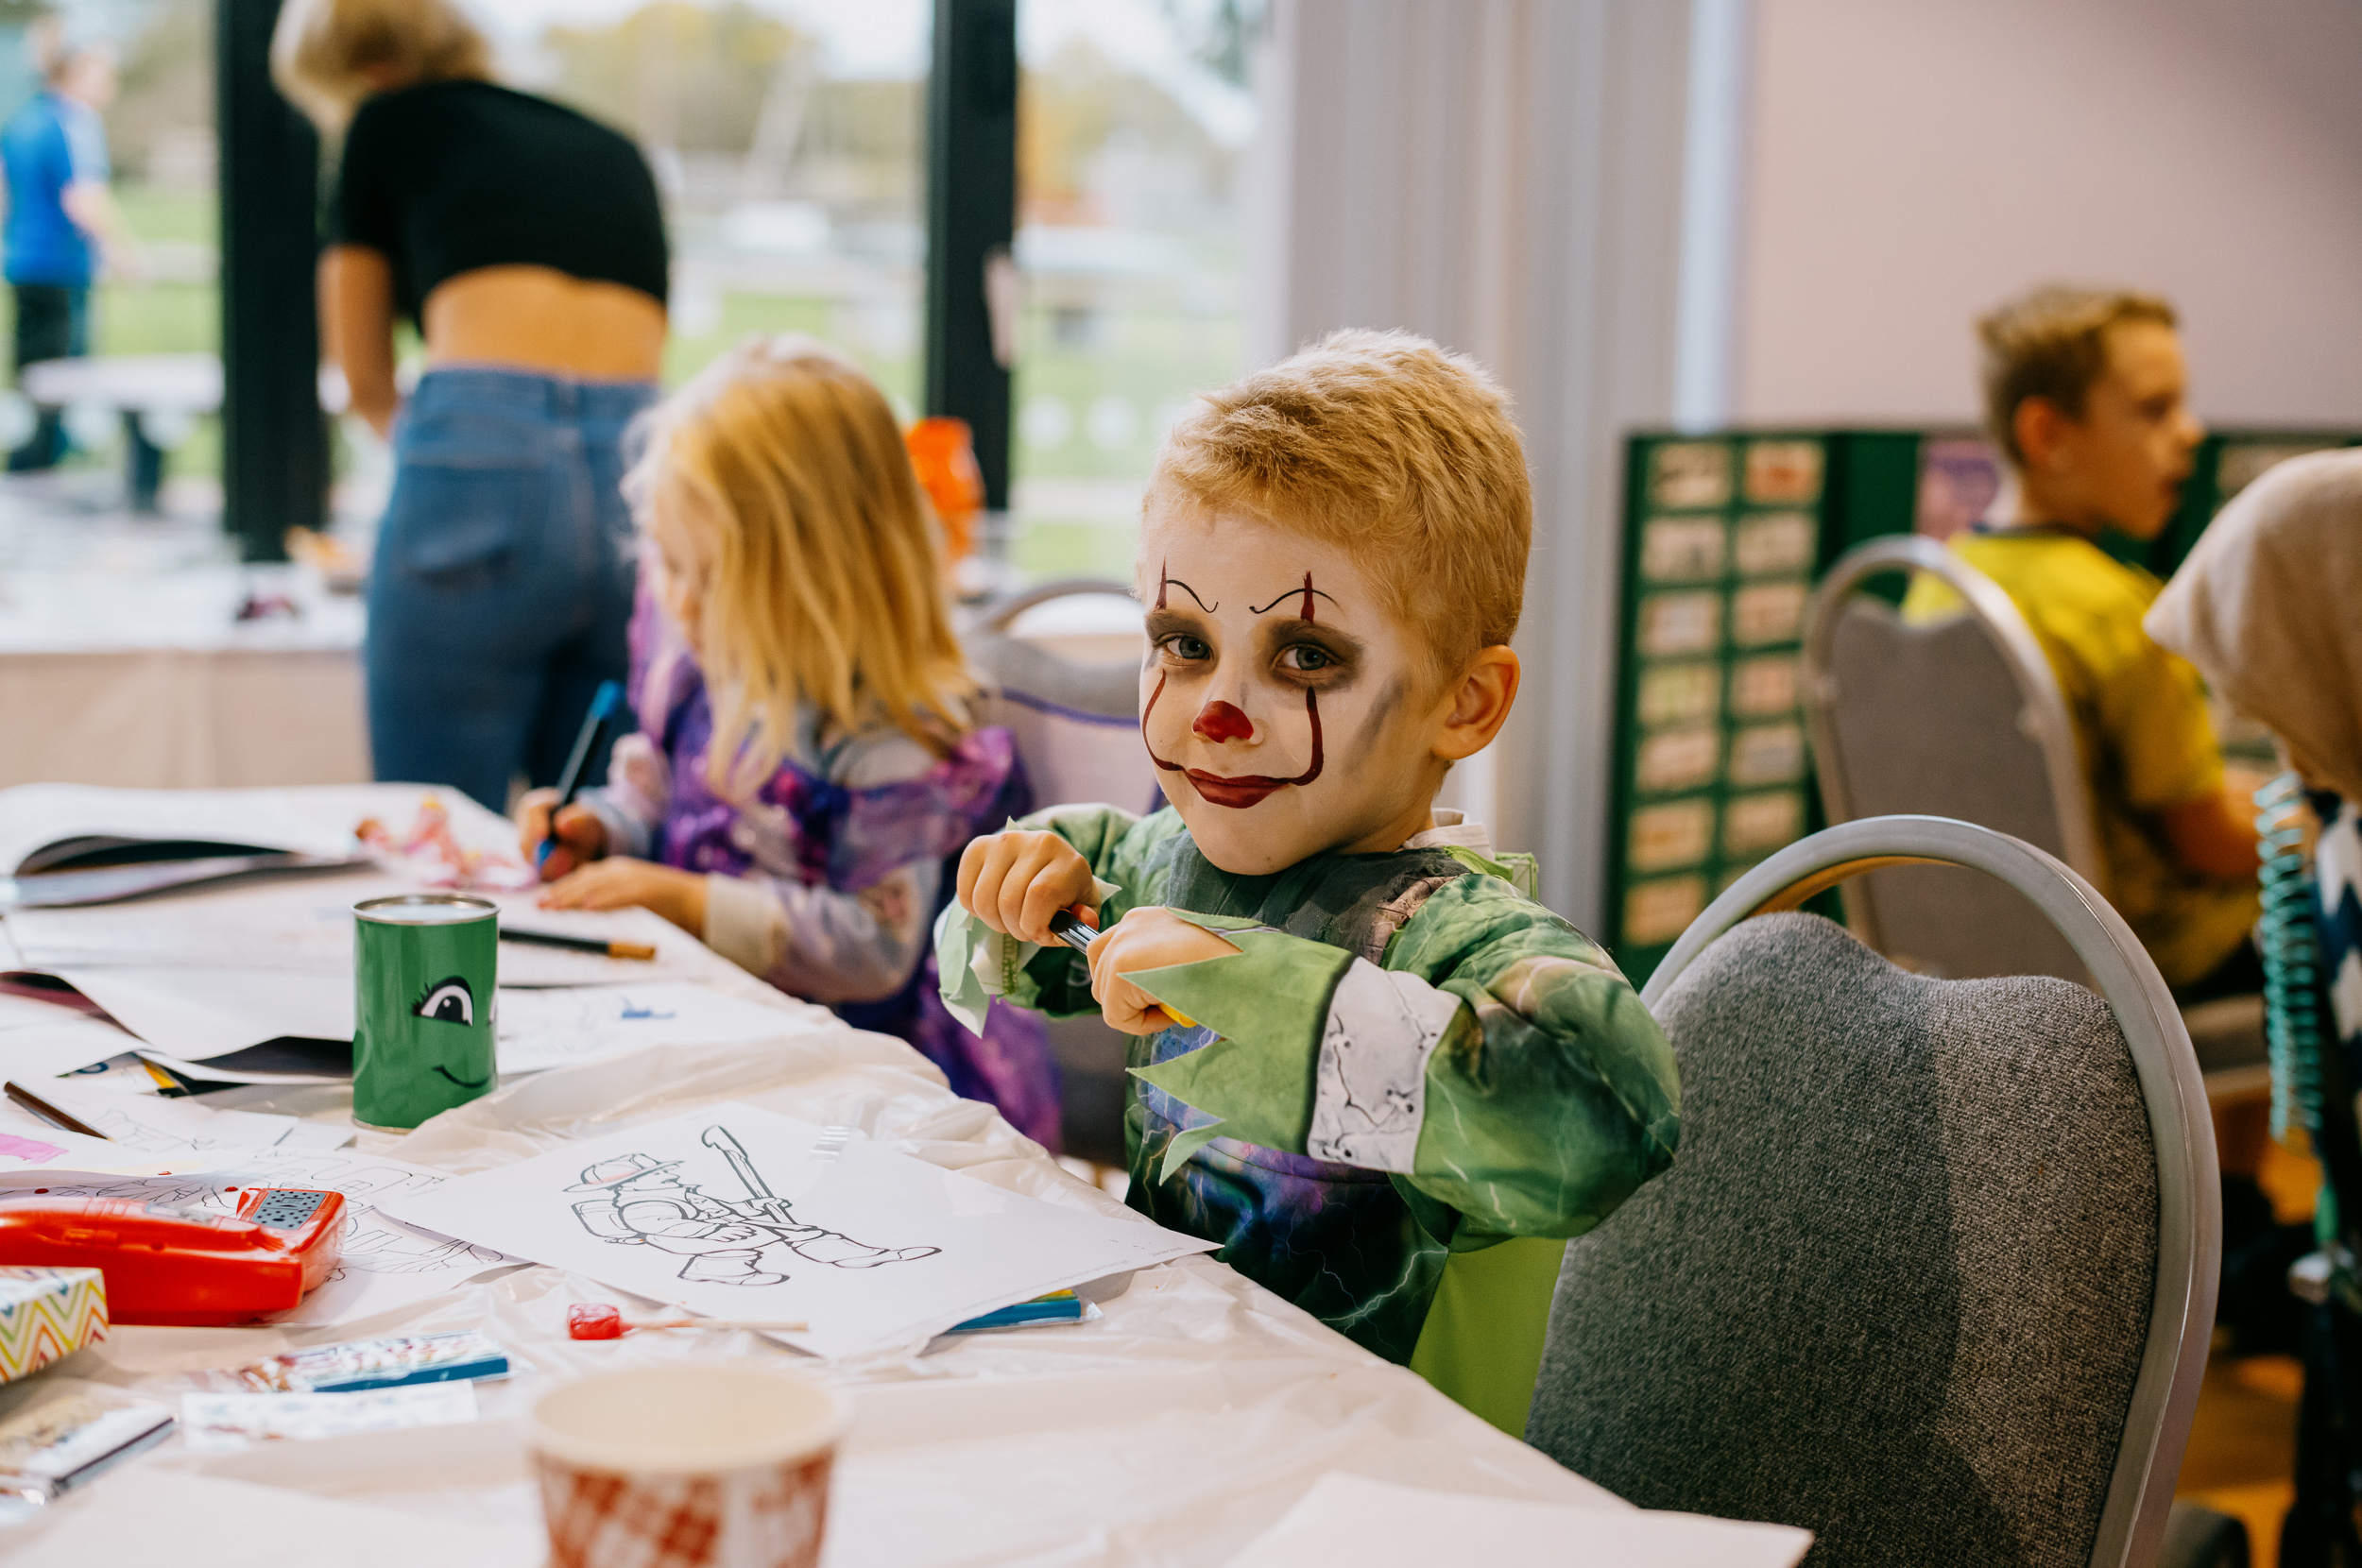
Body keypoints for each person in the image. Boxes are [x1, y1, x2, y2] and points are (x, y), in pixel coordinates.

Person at [935, 330, 1680, 1436]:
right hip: (1175, 1424)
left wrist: (1244, 983)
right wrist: (1014, 886)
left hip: (1385, 1481)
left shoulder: (1453, 940)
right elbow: (1026, 937)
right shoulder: (1169, 862)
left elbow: (1606, 1113)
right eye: (1183, 642)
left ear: (1464, 703)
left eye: (1305, 657)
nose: (1216, 712)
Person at [515, 336, 1061, 1150]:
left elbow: (874, 948)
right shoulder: (704, 669)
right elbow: (657, 792)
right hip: (733, 1045)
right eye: (669, 563)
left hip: (876, 1096)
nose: (678, 601)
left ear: (815, 576)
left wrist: (684, 901)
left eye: (709, 575)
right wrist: (603, 828)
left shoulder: (890, 726)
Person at [273, 0, 671, 811]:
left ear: (355, 70)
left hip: (481, 441)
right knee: (597, 830)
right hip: (643, 459)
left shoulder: (385, 121)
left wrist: (444, 463)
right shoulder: (613, 144)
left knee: (439, 826)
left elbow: (360, 374)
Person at [1905, 285, 2259, 997]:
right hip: (2146, 973)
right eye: (2155, 410)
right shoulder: (2115, 611)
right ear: (2048, 435)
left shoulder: (1940, 583)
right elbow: (2209, 841)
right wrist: (2309, 817)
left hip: (1984, 974)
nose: (2191, 431)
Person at [1, 37, 144, 473]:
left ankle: (26, 474)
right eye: (101, 75)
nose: (110, 85)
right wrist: (122, 252)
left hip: (23, 266)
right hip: (61, 269)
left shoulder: (22, 121)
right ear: (73, 74)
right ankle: (43, 478)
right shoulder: (75, 123)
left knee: (33, 379)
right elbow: (82, 198)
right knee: (62, 384)